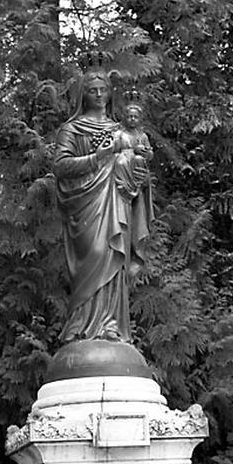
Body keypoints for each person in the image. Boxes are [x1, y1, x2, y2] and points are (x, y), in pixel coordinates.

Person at [54, 71, 154, 343]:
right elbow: (60, 167)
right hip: (85, 205)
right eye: (92, 90)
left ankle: (111, 325)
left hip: (117, 200)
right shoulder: (72, 129)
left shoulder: (120, 129)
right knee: (96, 252)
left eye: (103, 90)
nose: (98, 95)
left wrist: (139, 180)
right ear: (82, 95)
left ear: (110, 94)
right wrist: (98, 156)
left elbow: (136, 161)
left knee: (113, 255)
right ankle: (80, 324)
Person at [113, 103, 153, 201]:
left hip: (137, 170)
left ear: (140, 119)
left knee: (139, 159)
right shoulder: (119, 134)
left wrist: (146, 152)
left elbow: (150, 154)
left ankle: (136, 190)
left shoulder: (142, 136)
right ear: (125, 118)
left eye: (136, 117)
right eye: (130, 116)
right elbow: (112, 151)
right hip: (122, 170)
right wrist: (132, 149)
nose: (132, 119)